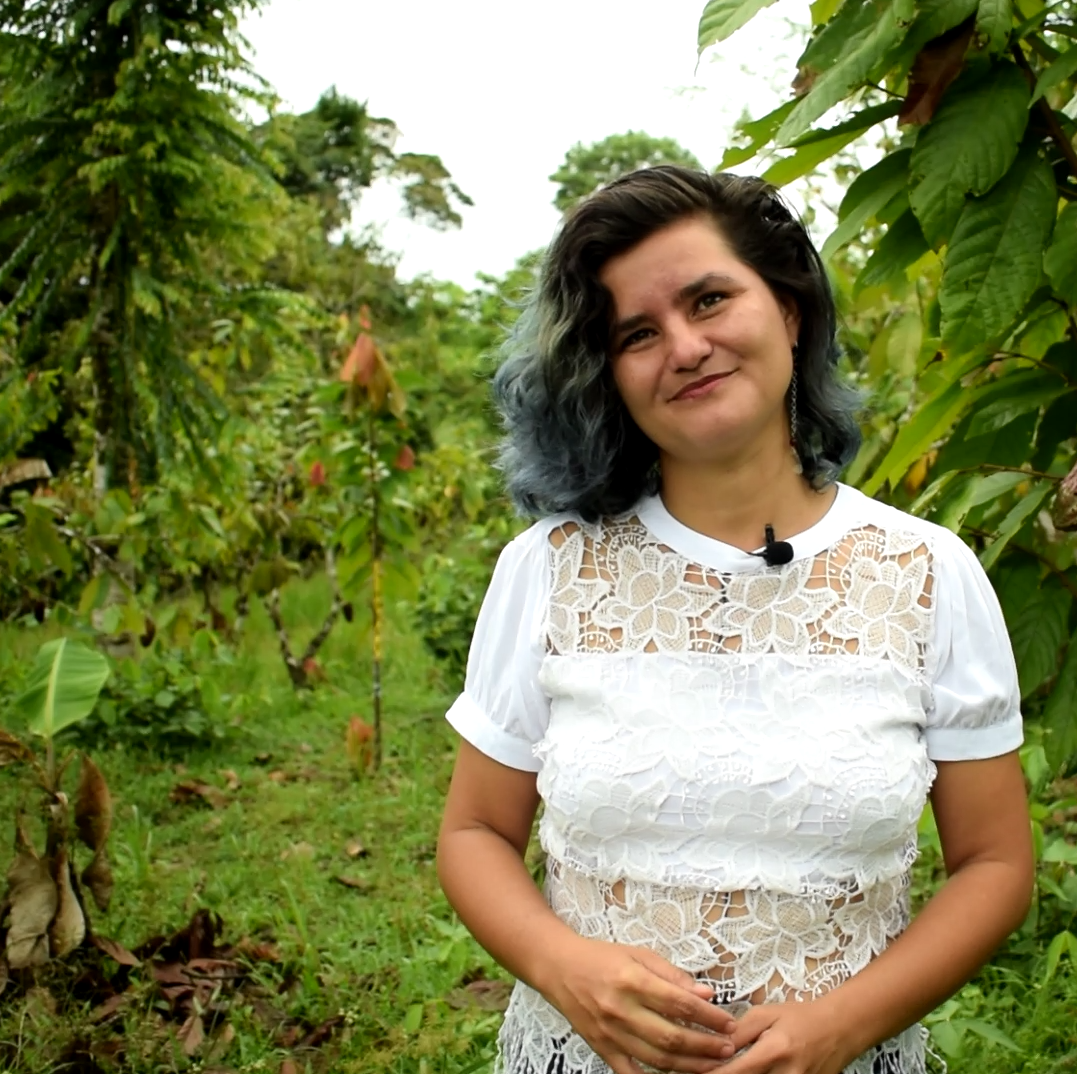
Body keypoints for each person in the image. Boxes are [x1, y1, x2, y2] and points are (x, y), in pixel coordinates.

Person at [436, 166, 1034, 1074]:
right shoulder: (550, 571)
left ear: (790, 312)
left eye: (709, 299)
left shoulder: (927, 573)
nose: (684, 346)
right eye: (637, 333)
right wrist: (565, 968)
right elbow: (474, 832)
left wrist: (845, 1024)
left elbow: (994, 863)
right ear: (609, 376)